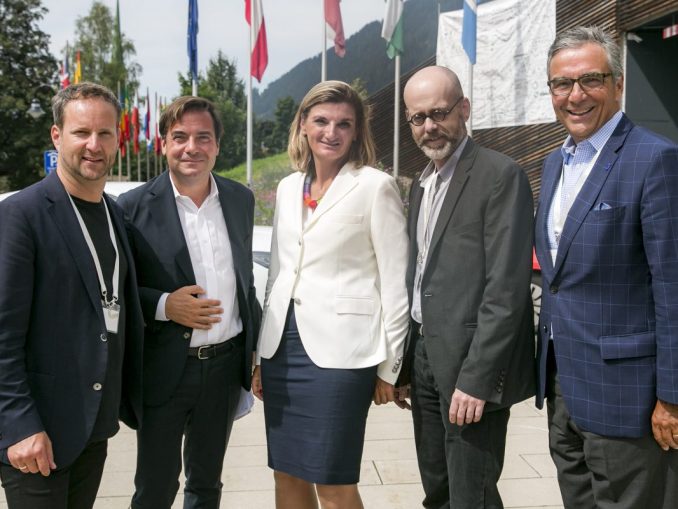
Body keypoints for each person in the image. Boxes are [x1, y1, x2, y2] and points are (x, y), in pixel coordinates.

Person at [534, 26, 678, 508]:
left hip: (630, 401)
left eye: (590, 79)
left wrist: (672, 398)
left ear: (618, 84)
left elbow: (673, 288)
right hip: (564, 392)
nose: (575, 95)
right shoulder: (556, 163)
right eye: (561, 84)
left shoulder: (655, 160)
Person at [251, 80, 409, 509]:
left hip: (343, 357)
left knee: (334, 484)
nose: (331, 132)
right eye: (320, 121)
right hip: (282, 350)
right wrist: (260, 356)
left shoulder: (376, 186)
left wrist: (390, 369)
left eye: (344, 123)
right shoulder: (287, 189)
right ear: (303, 124)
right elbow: (278, 276)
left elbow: (396, 285)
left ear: (357, 131)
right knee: (286, 475)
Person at [0, 82, 144, 508]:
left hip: (92, 426)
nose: (93, 145)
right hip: (36, 434)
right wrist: (19, 425)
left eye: (104, 133)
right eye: (81, 132)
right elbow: (3, 335)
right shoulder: (20, 215)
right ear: (56, 136)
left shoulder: (116, 214)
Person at [400, 65, 535, 509]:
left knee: (470, 494)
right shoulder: (422, 185)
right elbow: (421, 276)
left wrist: (476, 380)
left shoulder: (500, 175)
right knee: (438, 488)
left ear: (464, 109)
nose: (429, 127)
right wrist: (405, 365)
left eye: (439, 113)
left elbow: (507, 289)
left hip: (471, 364)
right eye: (417, 118)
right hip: (425, 355)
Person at [116, 96, 261, 509]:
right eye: (179, 137)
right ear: (163, 143)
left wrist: (257, 356)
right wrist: (164, 305)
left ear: (217, 145)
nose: (191, 147)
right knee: (156, 487)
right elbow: (118, 292)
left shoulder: (240, 200)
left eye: (203, 137)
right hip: (164, 371)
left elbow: (245, 283)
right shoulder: (131, 209)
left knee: (207, 484)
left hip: (224, 368)